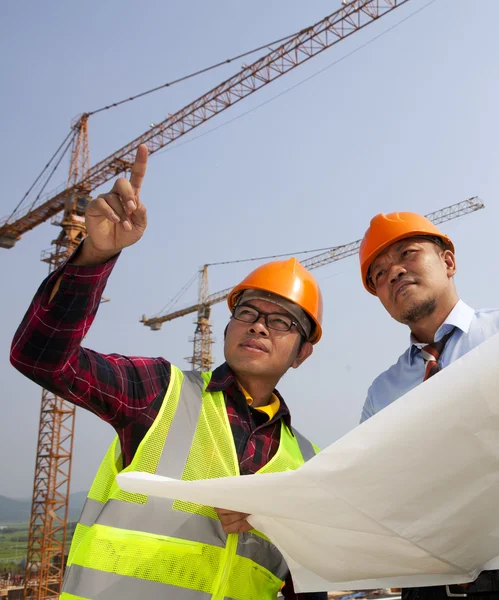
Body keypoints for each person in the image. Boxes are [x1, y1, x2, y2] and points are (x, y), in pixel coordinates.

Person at [10, 144, 327, 600]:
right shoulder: (161, 392)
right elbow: (40, 357)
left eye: (282, 322)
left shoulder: (307, 465)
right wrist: (94, 257)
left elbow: (309, 584)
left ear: (302, 353)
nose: (259, 323)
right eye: (248, 312)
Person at [359, 210, 499, 600]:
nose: (394, 273)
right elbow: (366, 488)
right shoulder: (382, 393)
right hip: (426, 584)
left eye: (408, 254)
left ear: (448, 261)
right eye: (379, 275)